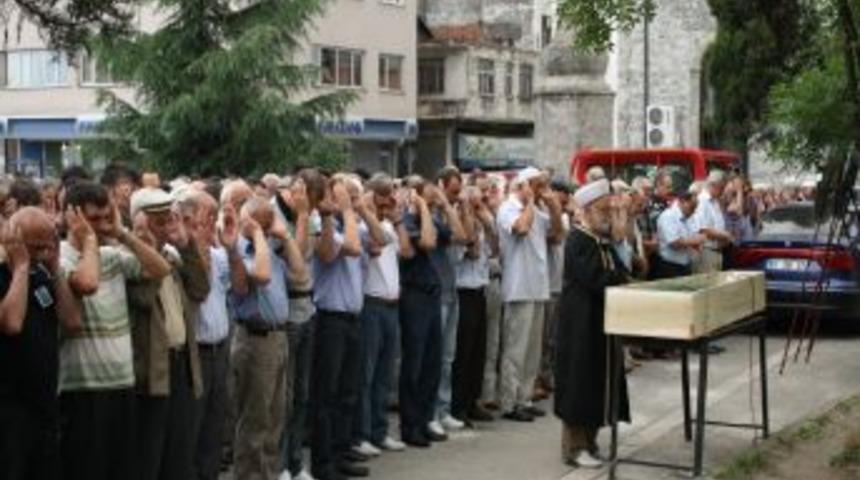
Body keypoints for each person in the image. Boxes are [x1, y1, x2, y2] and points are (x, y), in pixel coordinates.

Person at [59, 181, 172, 480]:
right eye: (93, 219)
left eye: (106, 218)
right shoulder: (60, 257)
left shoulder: (111, 254)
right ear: (72, 217)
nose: (101, 226)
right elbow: (88, 282)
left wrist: (121, 234)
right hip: (82, 390)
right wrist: (91, 243)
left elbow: (161, 269)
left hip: (122, 384)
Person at [127, 187, 211, 480]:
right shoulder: (128, 259)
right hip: (150, 372)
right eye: (159, 221)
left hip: (180, 364)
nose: (167, 228)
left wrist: (186, 245)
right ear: (141, 224)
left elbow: (201, 289)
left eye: (169, 220)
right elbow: (142, 299)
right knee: (150, 457)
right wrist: (146, 249)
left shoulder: (172, 256)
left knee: (178, 455)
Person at [310, 177, 384, 480]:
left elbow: (382, 239)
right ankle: (323, 462)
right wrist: (344, 210)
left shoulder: (352, 223)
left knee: (347, 393)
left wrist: (362, 211)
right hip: (330, 319)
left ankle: (341, 454)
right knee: (326, 395)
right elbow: (350, 248)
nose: (353, 201)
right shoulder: (326, 224)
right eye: (346, 196)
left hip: (353, 317)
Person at [0, 207, 82, 480]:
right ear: (14, 241)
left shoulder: (44, 274)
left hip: (44, 404)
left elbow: (72, 322)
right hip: (10, 410)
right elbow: (11, 323)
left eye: (47, 246)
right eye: (35, 247)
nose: (41, 254)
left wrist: (55, 268)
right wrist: (21, 266)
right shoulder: (7, 274)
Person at [554, 179, 630, 469]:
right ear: (586, 210)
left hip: (601, 323)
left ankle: (591, 442)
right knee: (579, 383)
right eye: (603, 211)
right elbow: (597, 279)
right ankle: (574, 448)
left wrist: (626, 281)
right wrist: (619, 280)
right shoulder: (579, 240)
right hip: (581, 326)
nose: (608, 216)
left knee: (598, 382)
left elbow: (621, 271)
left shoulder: (601, 241)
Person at [232, 196, 306, 480]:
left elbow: (299, 272)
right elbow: (261, 276)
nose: (267, 226)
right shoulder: (241, 250)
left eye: (268, 219)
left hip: (278, 337)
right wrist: (258, 234)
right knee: (255, 420)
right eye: (262, 221)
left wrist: (284, 234)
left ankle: (269, 474)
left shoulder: (270, 250)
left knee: (276, 417)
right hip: (254, 339)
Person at [180, 190, 248, 480]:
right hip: (194, 354)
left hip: (220, 349)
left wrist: (232, 250)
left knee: (214, 428)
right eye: (208, 217)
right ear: (188, 220)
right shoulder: (178, 255)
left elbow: (242, 288)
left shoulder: (220, 254)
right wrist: (196, 245)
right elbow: (200, 290)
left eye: (214, 216)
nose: (214, 224)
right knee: (191, 432)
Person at [496, 167, 563, 422]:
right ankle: (509, 402)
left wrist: (554, 207)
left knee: (533, 351)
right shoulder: (509, 208)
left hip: (538, 287)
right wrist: (531, 201)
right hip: (518, 288)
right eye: (536, 185)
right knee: (515, 349)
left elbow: (557, 235)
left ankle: (524, 397)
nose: (540, 190)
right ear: (523, 185)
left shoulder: (537, 210)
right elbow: (521, 229)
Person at [352, 173, 409, 457]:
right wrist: (367, 209)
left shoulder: (385, 222)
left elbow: (406, 250)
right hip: (371, 305)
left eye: (390, 200)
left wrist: (396, 219)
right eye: (382, 198)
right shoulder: (362, 223)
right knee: (367, 373)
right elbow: (377, 245)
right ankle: (362, 434)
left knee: (385, 374)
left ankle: (379, 429)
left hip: (391, 306)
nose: (387, 205)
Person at [398, 176, 444, 448]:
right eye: (427, 196)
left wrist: (433, 209)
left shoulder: (428, 217)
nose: (431, 200)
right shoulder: (406, 220)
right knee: (413, 364)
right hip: (413, 295)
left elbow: (453, 236)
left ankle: (425, 419)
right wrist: (422, 208)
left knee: (431, 363)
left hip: (431, 295)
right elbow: (427, 243)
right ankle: (410, 424)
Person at [428, 166, 469, 437]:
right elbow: (459, 235)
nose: (456, 197)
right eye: (452, 191)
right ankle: (431, 412)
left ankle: (443, 409)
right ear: (440, 185)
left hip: (451, 290)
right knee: (435, 357)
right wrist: (444, 205)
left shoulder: (450, 211)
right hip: (436, 293)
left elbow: (468, 236)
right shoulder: (430, 216)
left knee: (448, 358)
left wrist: (459, 207)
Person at [656, 187, 704, 279]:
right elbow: (675, 243)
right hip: (669, 267)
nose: (693, 212)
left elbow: (694, 236)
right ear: (682, 202)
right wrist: (695, 241)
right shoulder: (668, 216)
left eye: (695, 208)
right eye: (692, 207)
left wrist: (695, 242)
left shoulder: (690, 217)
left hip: (685, 266)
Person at [692, 170, 733, 273]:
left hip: (716, 251)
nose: (723, 191)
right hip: (706, 251)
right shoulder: (702, 200)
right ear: (714, 185)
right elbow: (703, 229)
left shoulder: (714, 201)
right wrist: (725, 235)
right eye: (722, 188)